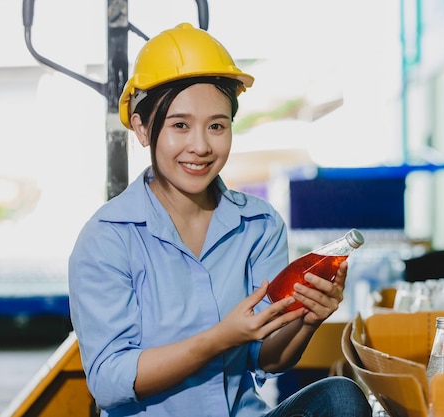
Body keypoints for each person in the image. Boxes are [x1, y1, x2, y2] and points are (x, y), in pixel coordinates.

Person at [68, 22, 372, 417]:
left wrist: (307, 319)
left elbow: (268, 358)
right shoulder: (108, 239)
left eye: (217, 126)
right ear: (143, 129)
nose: (201, 146)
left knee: (341, 399)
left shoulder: (259, 225)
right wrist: (218, 339)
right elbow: (109, 381)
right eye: (180, 125)